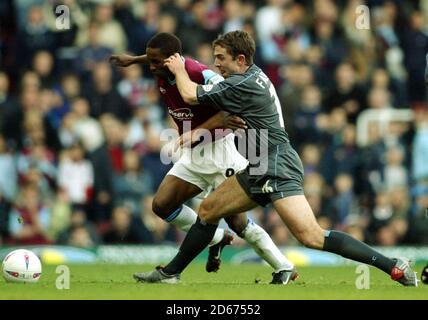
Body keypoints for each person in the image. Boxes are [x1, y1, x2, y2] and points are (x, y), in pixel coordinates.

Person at [134, 30, 418, 286]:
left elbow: (189, 94)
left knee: (311, 236)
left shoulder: (242, 84)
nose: (216, 64)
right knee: (208, 211)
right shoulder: (251, 77)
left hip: (275, 163)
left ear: (240, 58)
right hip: (259, 162)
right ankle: (170, 274)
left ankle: (393, 266)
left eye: (221, 58)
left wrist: (179, 67)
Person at [110, 33, 297, 284]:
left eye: (155, 62)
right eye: (150, 61)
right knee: (162, 205)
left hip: (220, 152)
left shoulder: (199, 72)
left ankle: (283, 265)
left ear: (171, 60)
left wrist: (201, 130)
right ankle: (217, 238)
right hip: (194, 154)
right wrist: (133, 60)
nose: (151, 67)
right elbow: (155, 58)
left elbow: (229, 107)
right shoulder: (163, 66)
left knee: (238, 222)